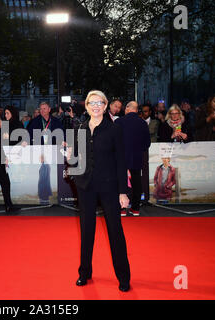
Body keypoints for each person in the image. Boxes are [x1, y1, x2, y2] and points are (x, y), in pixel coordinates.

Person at [69, 90, 130, 292]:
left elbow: (121, 162)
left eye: (99, 102)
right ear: (86, 106)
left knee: (115, 231)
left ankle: (123, 277)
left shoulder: (114, 129)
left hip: (109, 188)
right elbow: (76, 159)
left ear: (105, 106)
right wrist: (71, 160)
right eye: (91, 103)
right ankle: (84, 273)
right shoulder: (80, 129)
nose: (95, 106)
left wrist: (123, 191)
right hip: (86, 188)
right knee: (87, 232)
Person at [115, 101, 151, 216]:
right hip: (137, 156)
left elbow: (113, 141)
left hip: (121, 157)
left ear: (127, 109)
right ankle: (135, 209)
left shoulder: (118, 122)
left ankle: (121, 209)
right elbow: (147, 143)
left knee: (120, 181)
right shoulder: (143, 123)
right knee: (137, 182)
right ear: (136, 110)